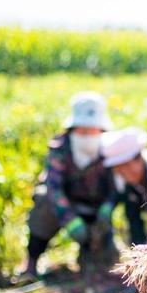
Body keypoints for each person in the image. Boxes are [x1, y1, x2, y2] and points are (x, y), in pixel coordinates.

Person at [26, 91, 118, 276]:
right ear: (73, 128)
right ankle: (31, 263)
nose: (87, 135)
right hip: (64, 206)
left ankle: (90, 254)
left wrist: (107, 207)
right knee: (43, 200)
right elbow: (54, 188)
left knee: (104, 262)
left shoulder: (109, 147)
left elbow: (115, 186)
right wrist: (70, 220)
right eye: (82, 130)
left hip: (95, 209)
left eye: (92, 130)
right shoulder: (60, 149)